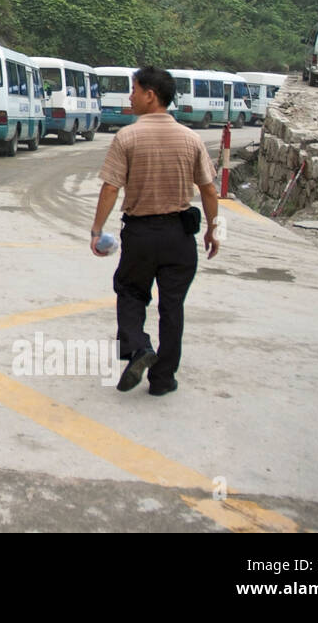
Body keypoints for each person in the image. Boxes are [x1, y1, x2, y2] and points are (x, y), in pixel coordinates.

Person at [89, 66, 220, 396]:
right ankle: (162, 380)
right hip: (180, 237)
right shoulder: (191, 138)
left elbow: (110, 188)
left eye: (134, 90)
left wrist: (96, 229)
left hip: (142, 234)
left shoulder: (127, 137)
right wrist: (213, 230)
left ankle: (138, 347)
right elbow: (208, 190)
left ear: (151, 95)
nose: (130, 96)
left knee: (130, 291)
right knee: (172, 308)